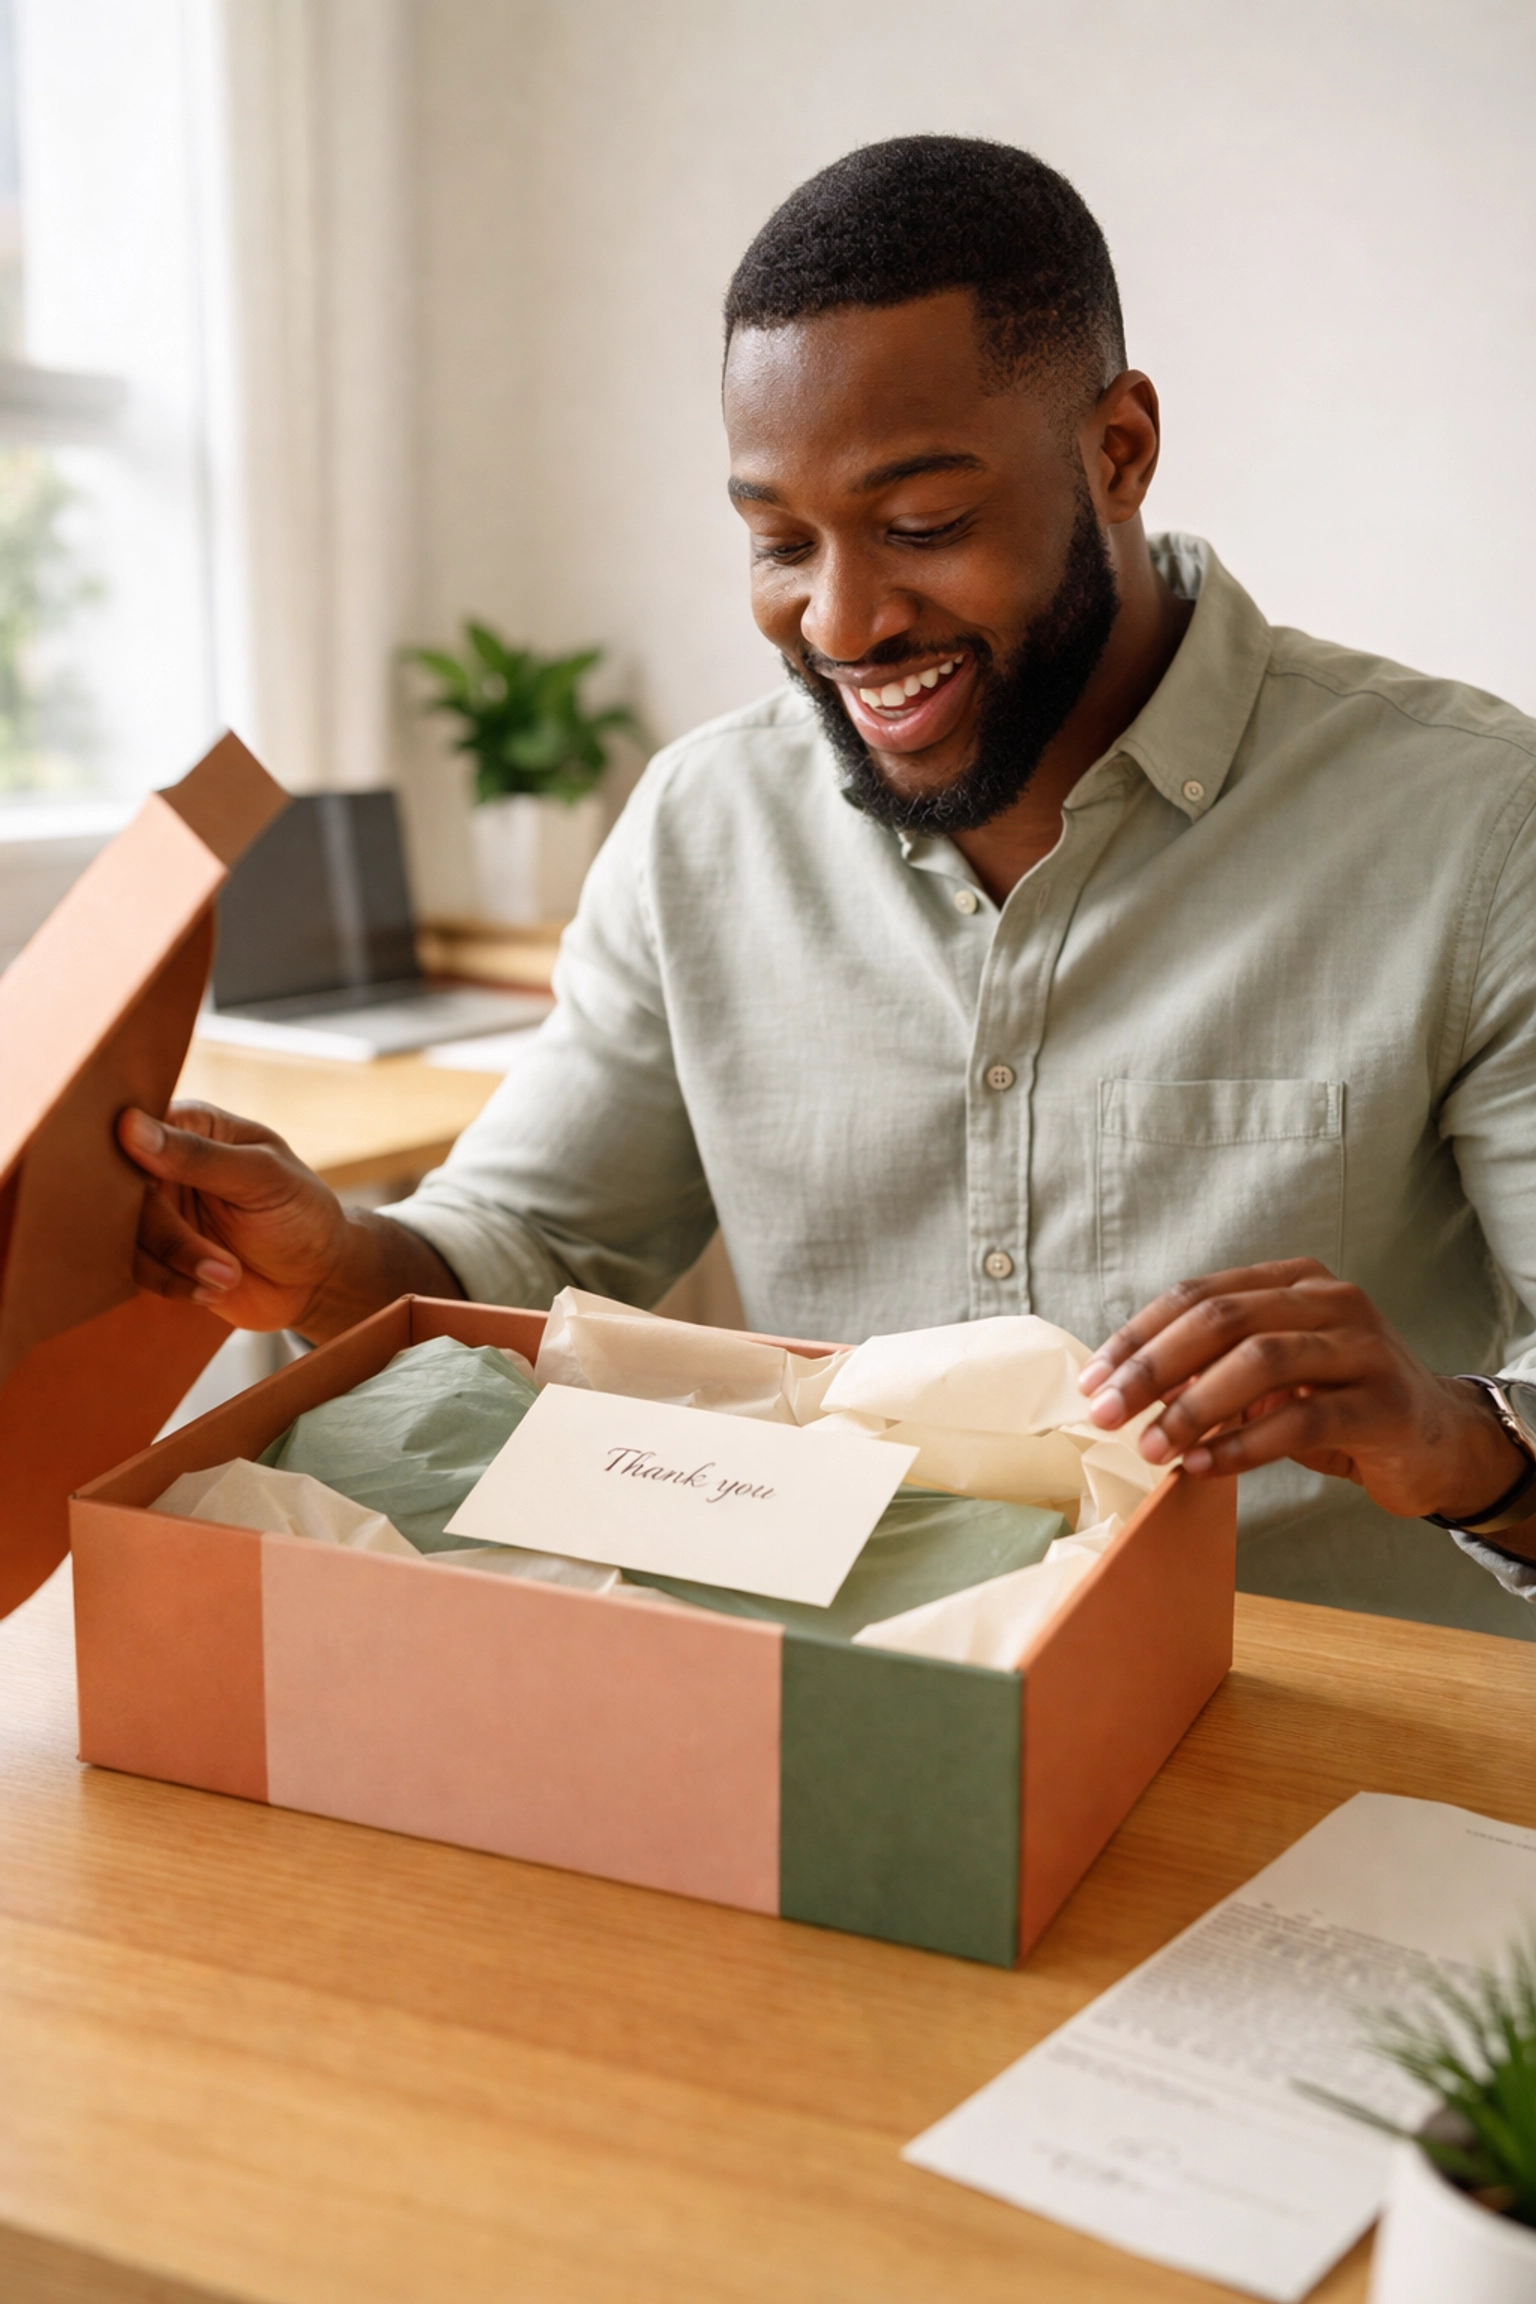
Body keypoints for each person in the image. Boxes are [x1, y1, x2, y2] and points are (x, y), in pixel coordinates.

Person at [120, 136, 1536, 1635]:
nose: (843, 621)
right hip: (856, 1729)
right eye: (779, 542)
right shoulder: (706, 824)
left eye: (922, 526)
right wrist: (326, 1261)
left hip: (1335, 1752)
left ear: (1118, 452)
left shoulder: (1471, 821)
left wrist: (1456, 1442)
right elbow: (526, 1247)